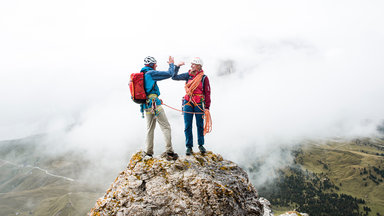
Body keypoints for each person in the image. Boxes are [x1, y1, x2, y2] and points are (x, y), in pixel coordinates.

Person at [140, 56, 178, 160]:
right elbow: (169, 74)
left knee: (150, 128)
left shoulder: (142, 74)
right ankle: (169, 152)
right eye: (155, 64)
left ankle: (148, 152)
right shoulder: (151, 73)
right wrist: (171, 64)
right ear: (152, 64)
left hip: (146, 105)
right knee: (166, 126)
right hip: (154, 104)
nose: (156, 65)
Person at [172, 57, 211, 155]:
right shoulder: (187, 75)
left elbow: (207, 92)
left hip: (199, 102)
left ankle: (201, 145)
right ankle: (189, 147)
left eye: (193, 64)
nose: (191, 65)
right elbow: (174, 77)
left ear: (198, 66)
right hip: (188, 102)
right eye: (191, 64)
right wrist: (177, 67)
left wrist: (207, 107)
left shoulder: (204, 78)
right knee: (188, 125)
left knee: (200, 125)